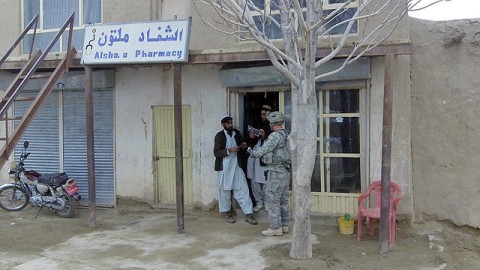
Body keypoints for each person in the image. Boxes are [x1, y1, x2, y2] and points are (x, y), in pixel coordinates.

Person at [247, 111, 291, 236]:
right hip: (285, 171)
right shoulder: (286, 134)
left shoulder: (274, 136)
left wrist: (253, 153)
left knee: (272, 200)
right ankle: (284, 225)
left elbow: (264, 149)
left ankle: (275, 227)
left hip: (275, 171)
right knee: (283, 200)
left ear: (272, 123)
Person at [214, 114, 258, 225]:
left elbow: (242, 143)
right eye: (228, 123)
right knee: (224, 191)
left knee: (243, 190)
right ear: (223, 124)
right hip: (224, 168)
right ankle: (228, 213)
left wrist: (243, 145)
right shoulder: (219, 136)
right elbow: (216, 152)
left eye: (231, 122)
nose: (230, 125)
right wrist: (229, 150)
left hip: (236, 166)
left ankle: (249, 214)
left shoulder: (236, 133)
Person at [247, 105, 272, 212]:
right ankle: (259, 202)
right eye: (261, 114)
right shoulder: (257, 123)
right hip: (256, 154)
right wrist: (252, 136)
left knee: (267, 181)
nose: (263, 117)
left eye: (265, 114)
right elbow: (251, 142)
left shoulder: (272, 125)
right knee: (254, 180)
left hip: (266, 156)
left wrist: (265, 135)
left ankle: (267, 203)